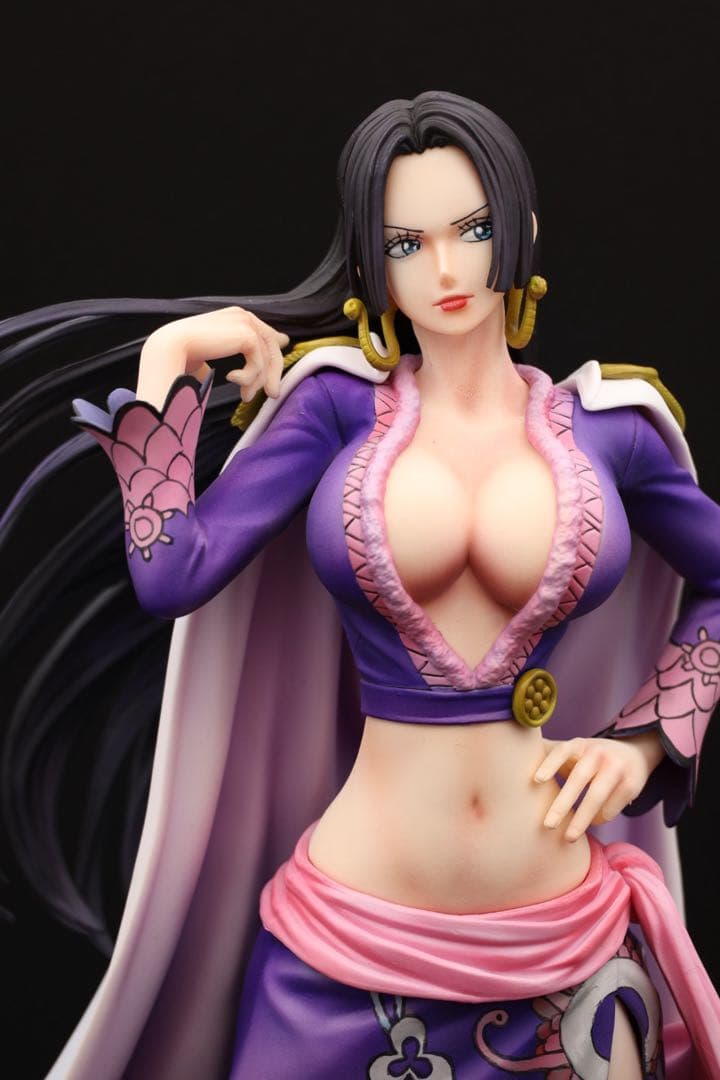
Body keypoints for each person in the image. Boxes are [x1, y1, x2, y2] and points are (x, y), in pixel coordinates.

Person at [3, 91, 719, 1078]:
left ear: (523, 230)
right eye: (406, 244)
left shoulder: (611, 429)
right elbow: (173, 573)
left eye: (473, 230)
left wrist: (647, 739)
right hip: (351, 944)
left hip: (562, 959)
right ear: (370, 264)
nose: (447, 270)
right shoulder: (338, 411)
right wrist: (169, 360)